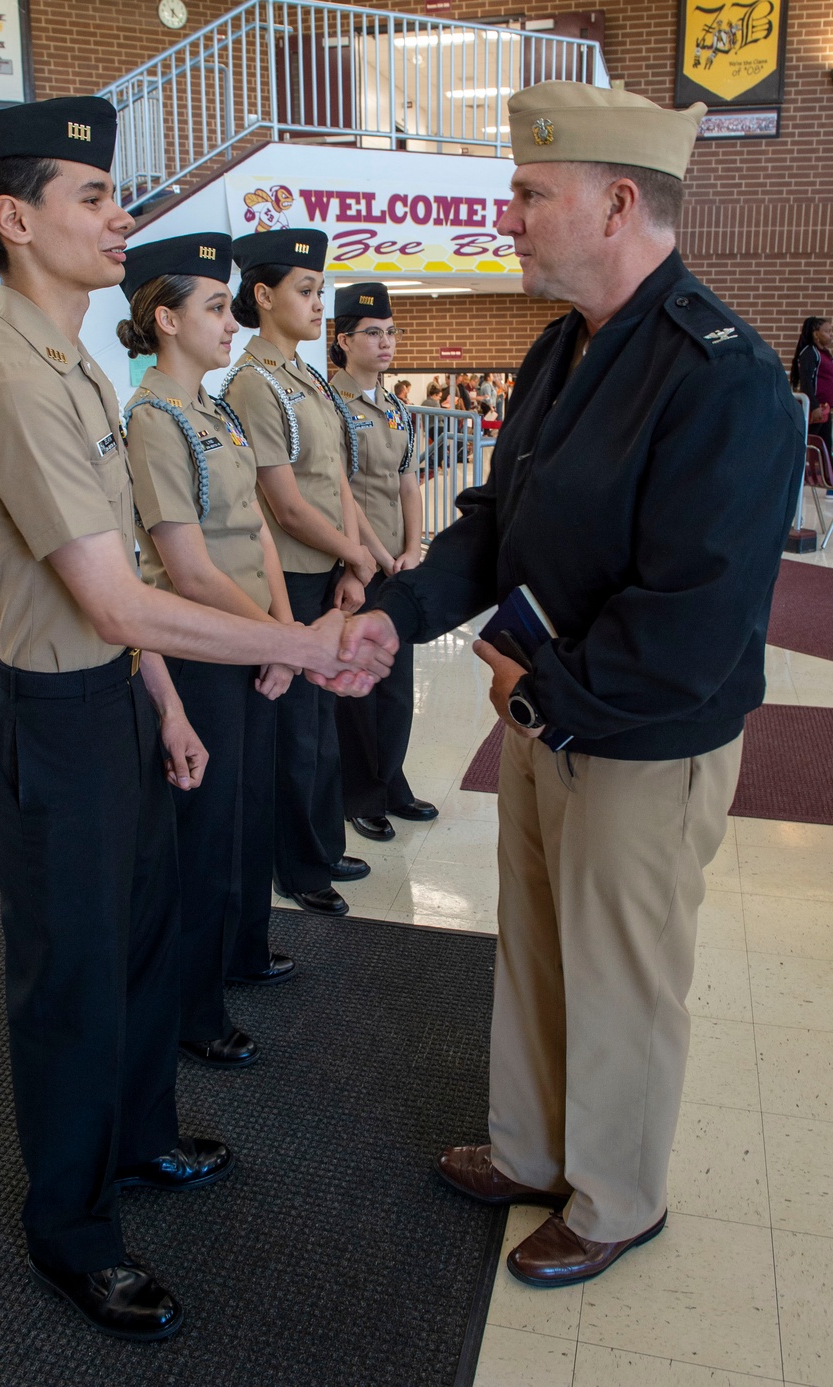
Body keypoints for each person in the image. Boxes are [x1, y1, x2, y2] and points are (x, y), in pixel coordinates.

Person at [0, 99, 393, 1342]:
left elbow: (119, 579)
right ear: (14, 219)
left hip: (117, 706)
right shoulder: (10, 382)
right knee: (73, 983)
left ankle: (134, 1141)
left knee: (140, 944)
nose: (120, 215)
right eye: (92, 196)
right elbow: (114, 591)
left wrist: (168, 704)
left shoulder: (80, 361)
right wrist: (298, 640)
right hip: (56, 725)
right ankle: (70, 1230)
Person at [343, 80, 801, 1288]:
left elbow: (691, 617)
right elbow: (496, 523)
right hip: (549, 716)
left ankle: (615, 1198)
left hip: (642, 741)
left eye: (527, 194)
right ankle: (533, 1149)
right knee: (540, 948)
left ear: (614, 203)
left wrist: (536, 696)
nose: (508, 216)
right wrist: (396, 615)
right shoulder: (564, 348)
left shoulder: (723, 373)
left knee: (622, 977)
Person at [118, 233, 297, 1074]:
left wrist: (282, 628)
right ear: (165, 318)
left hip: (249, 641)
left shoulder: (215, 408)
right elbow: (184, 570)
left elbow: (257, 526)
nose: (233, 322)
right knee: (200, 842)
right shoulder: (152, 420)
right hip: (198, 652)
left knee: (238, 826)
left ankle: (227, 963)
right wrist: (284, 639)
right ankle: (192, 1011)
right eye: (217, 307)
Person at [221, 229, 374, 916]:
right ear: (262, 295)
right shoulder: (254, 384)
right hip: (286, 577)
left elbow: (333, 473)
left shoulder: (307, 375)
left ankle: (320, 840)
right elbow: (282, 503)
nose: (320, 304)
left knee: (323, 719)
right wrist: (351, 552)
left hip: (325, 570)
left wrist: (351, 556)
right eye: (306, 290)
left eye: (319, 289)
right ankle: (299, 864)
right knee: (295, 732)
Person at [328, 282, 437, 842]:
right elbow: (342, 490)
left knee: (397, 681)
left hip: (398, 566)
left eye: (391, 331)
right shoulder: (333, 407)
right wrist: (373, 555)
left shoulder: (396, 408)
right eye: (373, 332)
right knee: (359, 684)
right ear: (343, 340)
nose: (386, 341)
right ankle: (361, 794)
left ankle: (392, 780)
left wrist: (414, 548)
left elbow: (409, 484)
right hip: (357, 569)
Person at [789, 315, 833, 452]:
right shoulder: (810, 353)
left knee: (825, 446)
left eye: (831, 331)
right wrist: (814, 406)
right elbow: (806, 381)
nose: (831, 335)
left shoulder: (824, 353)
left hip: (825, 408)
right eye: (827, 331)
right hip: (816, 409)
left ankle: (826, 473)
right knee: (809, 443)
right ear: (816, 334)